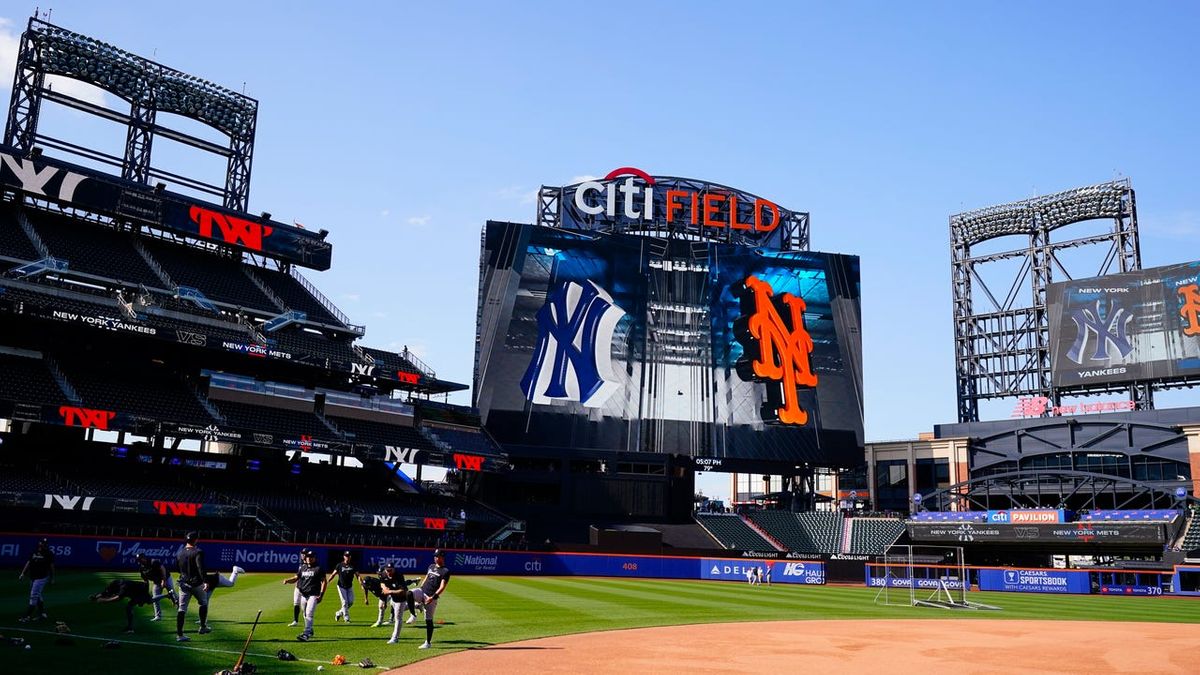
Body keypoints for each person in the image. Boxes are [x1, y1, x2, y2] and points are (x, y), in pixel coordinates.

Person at [90, 579, 174, 633]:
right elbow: (105, 592)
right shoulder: (114, 584)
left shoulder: (123, 587)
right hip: (136, 590)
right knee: (148, 601)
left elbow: (117, 598)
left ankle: (130, 628)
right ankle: (167, 595)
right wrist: (96, 597)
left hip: (140, 591)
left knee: (130, 606)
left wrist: (104, 601)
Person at [407, 549, 451, 650]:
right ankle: (413, 615)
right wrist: (420, 589)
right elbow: (426, 579)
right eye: (435, 556)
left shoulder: (445, 571)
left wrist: (433, 597)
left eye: (437, 556)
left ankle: (428, 642)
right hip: (422, 591)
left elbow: (442, 586)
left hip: (431, 597)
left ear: (442, 557)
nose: (435, 558)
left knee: (428, 621)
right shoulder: (431, 566)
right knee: (409, 593)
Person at [282, 549, 325, 642]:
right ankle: (310, 630)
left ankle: (306, 633)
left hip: (313, 595)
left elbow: (324, 582)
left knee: (309, 613)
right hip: (303, 595)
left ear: (314, 558)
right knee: (305, 614)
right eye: (308, 557)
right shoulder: (303, 567)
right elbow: (296, 578)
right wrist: (288, 580)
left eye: (311, 557)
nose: (309, 559)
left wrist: (321, 594)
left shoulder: (318, 568)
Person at [175, 531, 211, 642]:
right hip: (196, 583)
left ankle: (180, 635)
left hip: (184, 583)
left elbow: (177, 567)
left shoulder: (180, 552)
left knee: (181, 609)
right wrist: (205, 581)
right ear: (196, 540)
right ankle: (203, 627)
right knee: (203, 603)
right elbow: (200, 567)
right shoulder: (198, 551)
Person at [378, 564, 420, 643]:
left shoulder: (399, 575)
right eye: (387, 570)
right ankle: (416, 605)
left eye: (390, 570)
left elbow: (402, 591)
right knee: (399, 610)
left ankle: (395, 638)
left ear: (394, 569)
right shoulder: (384, 573)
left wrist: (389, 591)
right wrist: (384, 588)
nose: (389, 572)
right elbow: (382, 582)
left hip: (401, 598)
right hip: (393, 599)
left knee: (398, 618)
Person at [17, 538, 55, 623]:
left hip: (41, 578)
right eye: (42, 544)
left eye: (45, 544)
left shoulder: (49, 553)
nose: (43, 545)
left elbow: (51, 566)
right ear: (39, 544)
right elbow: (29, 563)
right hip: (33, 577)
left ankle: (27, 616)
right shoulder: (34, 552)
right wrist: (23, 573)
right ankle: (42, 614)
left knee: (34, 595)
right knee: (38, 595)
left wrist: (52, 578)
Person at [136, 553, 175, 622]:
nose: (139, 561)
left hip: (166, 578)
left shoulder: (153, 562)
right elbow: (145, 581)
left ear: (144, 558)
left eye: (140, 559)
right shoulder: (141, 567)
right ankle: (158, 616)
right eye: (138, 560)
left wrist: (164, 580)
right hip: (156, 582)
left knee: (174, 595)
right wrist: (145, 591)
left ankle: (181, 610)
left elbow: (162, 569)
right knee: (155, 598)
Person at [328, 551, 361, 623]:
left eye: (348, 556)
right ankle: (346, 618)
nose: (347, 557)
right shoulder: (339, 565)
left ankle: (339, 613)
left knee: (351, 602)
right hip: (341, 586)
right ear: (344, 557)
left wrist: (361, 583)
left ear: (350, 557)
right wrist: (328, 581)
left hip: (349, 586)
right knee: (344, 602)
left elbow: (357, 575)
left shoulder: (353, 565)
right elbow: (333, 574)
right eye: (346, 556)